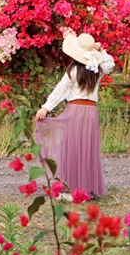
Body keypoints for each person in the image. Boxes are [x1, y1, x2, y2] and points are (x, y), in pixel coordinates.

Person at [34, 32, 115, 200]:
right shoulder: (97, 70)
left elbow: (60, 90)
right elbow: (110, 64)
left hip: (75, 111)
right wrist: (102, 50)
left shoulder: (73, 70)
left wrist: (46, 108)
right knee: (86, 150)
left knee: (72, 149)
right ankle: (86, 188)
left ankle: (71, 188)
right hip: (90, 112)